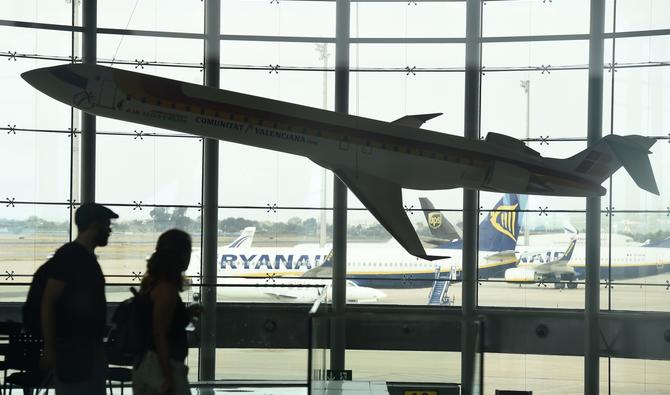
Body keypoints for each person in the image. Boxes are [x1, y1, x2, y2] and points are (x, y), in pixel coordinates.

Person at [39, 202, 118, 394]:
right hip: (75, 353)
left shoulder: (84, 257)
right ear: (94, 225)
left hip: (84, 351)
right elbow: (48, 302)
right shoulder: (71, 256)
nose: (110, 230)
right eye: (107, 224)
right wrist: (50, 349)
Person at [133, 229, 199, 395]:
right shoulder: (166, 290)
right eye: (188, 251)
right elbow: (159, 334)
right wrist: (168, 377)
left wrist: (185, 313)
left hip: (146, 363)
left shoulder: (152, 283)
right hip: (160, 366)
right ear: (181, 255)